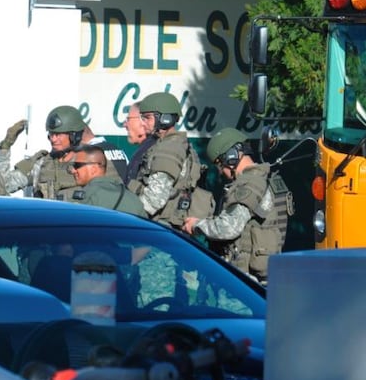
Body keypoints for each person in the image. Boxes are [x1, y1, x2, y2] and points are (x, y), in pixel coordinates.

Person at [182, 128, 293, 283]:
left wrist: (196, 225)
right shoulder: (269, 178)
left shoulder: (249, 185)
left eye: (220, 165)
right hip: (264, 278)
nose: (221, 172)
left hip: (245, 279)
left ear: (231, 158)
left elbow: (229, 228)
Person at [0, 105, 120, 201]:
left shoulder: (92, 162)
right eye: (51, 134)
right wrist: (5, 147)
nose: (53, 139)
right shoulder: (41, 164)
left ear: (73, 135)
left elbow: (114, 198)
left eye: (58, 135)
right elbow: (3, 185)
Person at [127, 91, 214, 229]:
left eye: (147, 118)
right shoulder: (174, 144)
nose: (144, 123)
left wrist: (124, 216)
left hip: (160, 227)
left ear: (165, 119)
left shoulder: (169, 149)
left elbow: (154, 199)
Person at [69, 144, 146, 217]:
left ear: (93, 168)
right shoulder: (132, 198)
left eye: (77, 165)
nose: (73, 170)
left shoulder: (87, 197)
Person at [123, 102, 157, 185]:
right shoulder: (148, 148)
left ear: (143, 121)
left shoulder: (150, 151)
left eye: (128, 119)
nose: (125, 124)